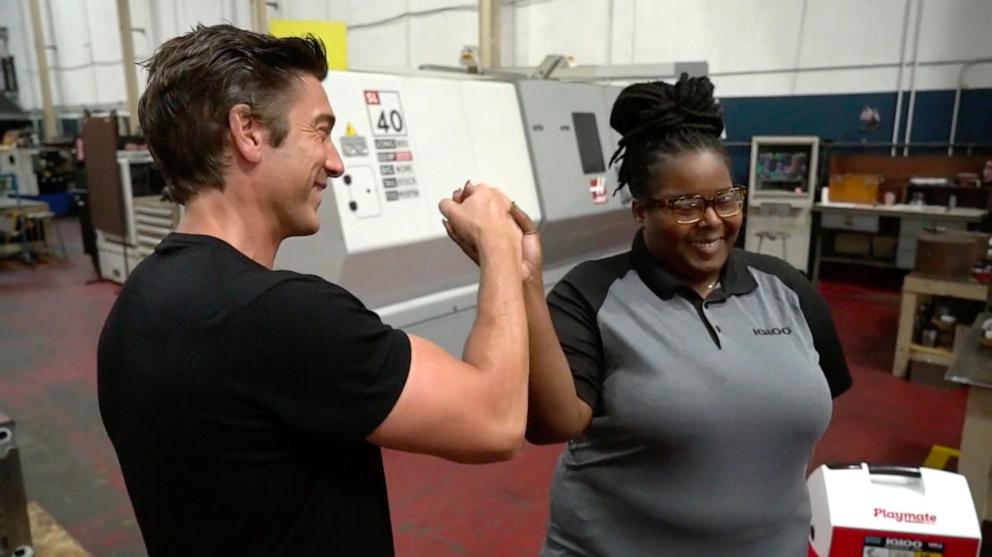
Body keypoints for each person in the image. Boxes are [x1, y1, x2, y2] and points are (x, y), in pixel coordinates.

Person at [97, 24, 530, 556]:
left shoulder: (136, 305)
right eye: (319, 132)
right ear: (249, 132)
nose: (336, 162)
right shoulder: (279, 314)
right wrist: (501, 249)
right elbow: (496, 420)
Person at [453, 74, 852, 556]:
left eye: (725, 200)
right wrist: (525, 282)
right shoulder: (592, 295)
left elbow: (808, 398)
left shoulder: (788, 289)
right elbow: (552, 424)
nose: (711, 221)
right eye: (685, 206)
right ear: (641, 209)